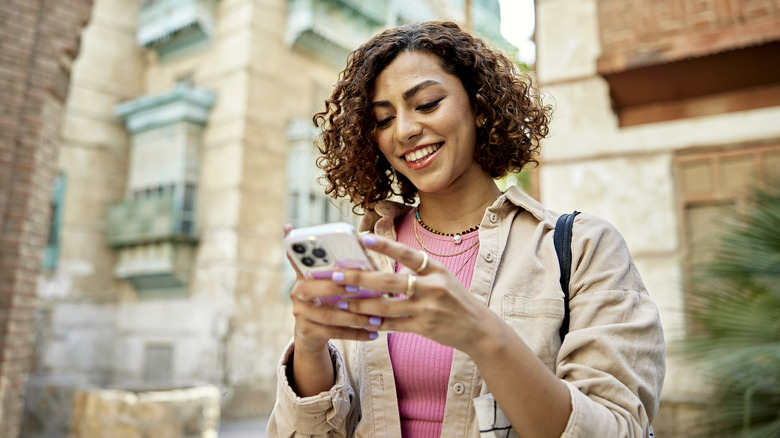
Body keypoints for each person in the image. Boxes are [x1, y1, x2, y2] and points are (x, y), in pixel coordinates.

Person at [268, 21, 665, 438]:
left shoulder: (582, 248)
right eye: (383, 120)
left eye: (426, 104)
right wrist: (310, 348)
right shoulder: (366, 257)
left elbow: (620, 428)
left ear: (478, 105)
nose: (403, 130)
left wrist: (482, 334)